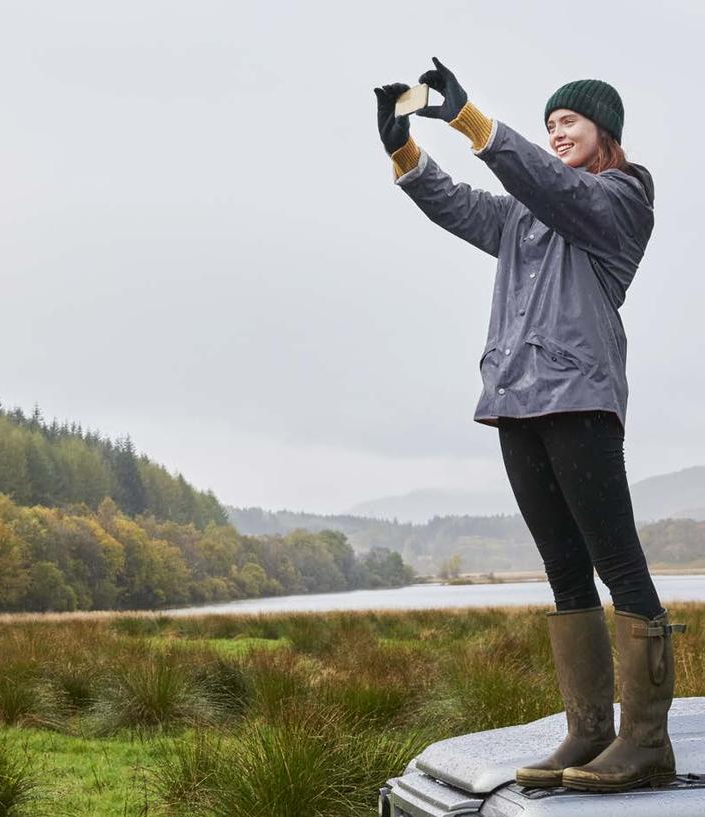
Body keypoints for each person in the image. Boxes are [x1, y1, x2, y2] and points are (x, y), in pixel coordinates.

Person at [374, 57, 686, 792]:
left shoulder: (622, 197)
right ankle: (587, 729)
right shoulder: (525, 212)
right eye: (549, 126)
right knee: (563, 568)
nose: (555, 132)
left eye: (567, 121)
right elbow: (459, 205)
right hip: (516, 401)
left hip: (579, 398)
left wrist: (471, 119)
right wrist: (402, 149)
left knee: (619, 561)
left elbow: (551, 187)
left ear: (603, 132)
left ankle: (646, 741)